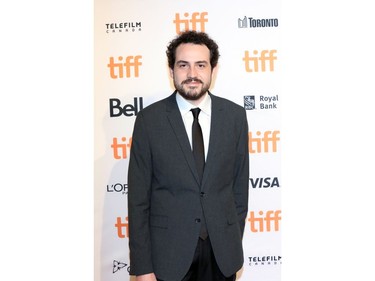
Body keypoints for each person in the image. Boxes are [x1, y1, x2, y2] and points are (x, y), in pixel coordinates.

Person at [128, 30, 249, 281]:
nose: (192, 74)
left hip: (222, 257)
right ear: (171, 70)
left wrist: (230, 239)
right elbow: (138, 201)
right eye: (183, 65)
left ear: (213, 71)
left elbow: (239, 189)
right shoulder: (149, 120)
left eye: (200, 65)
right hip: (168, 256)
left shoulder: (235, 117)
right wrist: (142, 267)